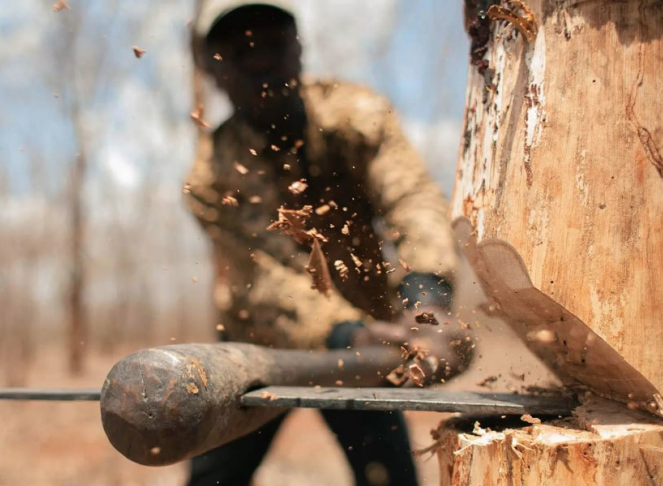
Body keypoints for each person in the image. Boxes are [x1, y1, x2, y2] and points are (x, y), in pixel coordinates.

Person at [185, 1, 474, 484]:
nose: (258, 60)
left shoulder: (356, 116)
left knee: (388, 477)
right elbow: (265, 280)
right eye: (239, 51)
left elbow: (411, 199)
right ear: (215, 71)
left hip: (369, 347)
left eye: (272, 43)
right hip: (257, 349)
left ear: (299, 49)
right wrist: (352, 335)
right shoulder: (211, 177)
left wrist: (426, 302)